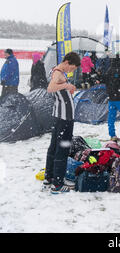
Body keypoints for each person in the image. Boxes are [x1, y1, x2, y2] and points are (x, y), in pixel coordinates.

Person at [43, 51, 81, 194]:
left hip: (60, 116)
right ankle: (57, 184)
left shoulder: (58, 72)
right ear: (67, 62)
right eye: (73, 68)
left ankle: (49, 178)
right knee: (62, 149)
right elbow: (50, 88)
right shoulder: (58, 73)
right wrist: (66, 86)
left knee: (53, 147)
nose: (72, 71)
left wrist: (68, 86)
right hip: (64, 118)